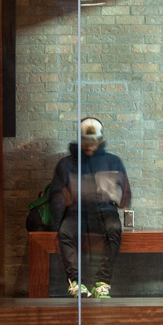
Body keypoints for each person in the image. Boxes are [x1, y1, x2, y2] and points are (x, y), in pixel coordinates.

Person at [49, 116, 131, 297]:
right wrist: (63, 200)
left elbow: (125, 193)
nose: (89, 147)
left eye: (93, 142)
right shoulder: (66, 164)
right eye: (85, 142)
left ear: (100, 141)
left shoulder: (113, 161)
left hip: (105, 211)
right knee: (65, 233)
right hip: (76, 212)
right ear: (80, 140)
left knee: (114, 229)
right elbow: (55, 194)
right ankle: (76, 282)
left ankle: (102, 282)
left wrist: (120, 199)